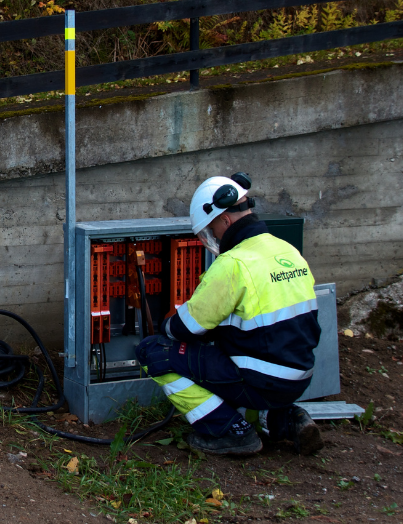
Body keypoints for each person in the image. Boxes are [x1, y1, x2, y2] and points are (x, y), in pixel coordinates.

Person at [134, 173, 323, 456]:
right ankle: (284, 419)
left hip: (261, 379)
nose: (214, 237)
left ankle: (229, 431)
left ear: (225, 219)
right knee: (230, 358)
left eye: (212, 229)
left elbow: (188, 327)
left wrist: (166, 327)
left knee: (155, 353)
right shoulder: (286, 250)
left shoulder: (233, 263)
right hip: (299, 376)